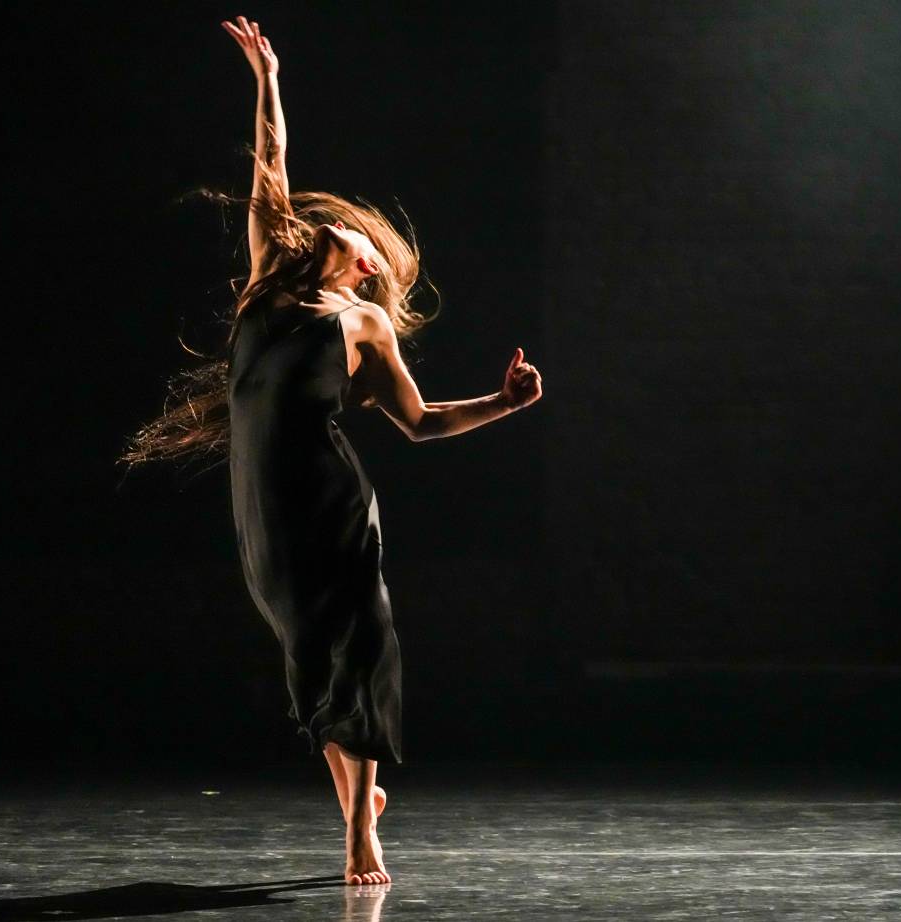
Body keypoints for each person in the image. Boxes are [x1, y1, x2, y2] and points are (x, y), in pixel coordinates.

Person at [120, 15, 543, 886]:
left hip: (333, 504)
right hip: (263, 509)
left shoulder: (364, 322)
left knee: (360, 647)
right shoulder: (266, 283)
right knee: (311, 660)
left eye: (349, 235)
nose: (331, 225)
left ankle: (359, 830)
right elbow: (268, 170)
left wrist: (503, 404)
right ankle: (361, 795)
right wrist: (267, 79)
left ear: (362, 268)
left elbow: (419, 424)